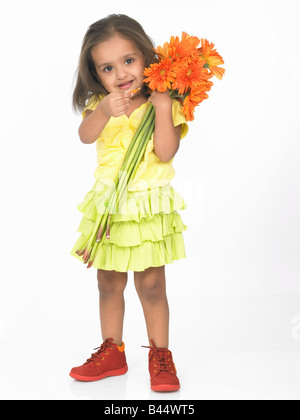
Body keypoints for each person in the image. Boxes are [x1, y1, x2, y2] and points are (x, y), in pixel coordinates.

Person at [69, 14, 189, 392]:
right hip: (110, 206)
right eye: (107, 67)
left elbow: (166, 153)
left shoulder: (162, 101)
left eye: (129, 61)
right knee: (108, 281)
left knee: (152, 284)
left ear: (146, 56)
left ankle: (160, 355)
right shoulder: (100, 104)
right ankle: (112, 351)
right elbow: (85, 136)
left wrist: (164, 107)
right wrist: (104, 110)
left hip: (147, 207)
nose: (121, 73)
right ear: (96, 75)